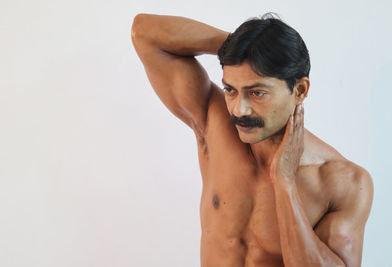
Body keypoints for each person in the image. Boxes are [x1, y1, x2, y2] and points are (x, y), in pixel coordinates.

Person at [131, 13, 373, 267]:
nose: (239, 110)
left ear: (300, 90)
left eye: (257, 93)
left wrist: (285, 184)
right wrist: (243, 47)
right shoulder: (213, 123)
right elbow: (144, 33)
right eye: (230, 90)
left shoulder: (343, 182)